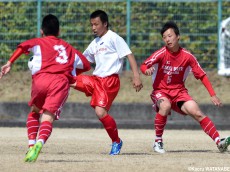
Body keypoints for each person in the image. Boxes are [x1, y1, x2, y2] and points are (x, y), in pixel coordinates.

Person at [0, 14, 90, 162]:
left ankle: (30, 146)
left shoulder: (39, 42)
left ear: (42, 30)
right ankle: (39, 143)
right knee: (48, 117)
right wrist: (70, 71)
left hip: (41, 80)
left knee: (35, 111)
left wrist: (10, 62)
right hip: (60, 83)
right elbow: (86, 64)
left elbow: (23, 46)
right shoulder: (68, 47)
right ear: (59, 32)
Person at [140, 21, 230, 154]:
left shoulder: (188, 56)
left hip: (179, 93)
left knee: (197, 112)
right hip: (160, 91)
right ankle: (158, 142)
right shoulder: (161, 53)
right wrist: (145, 71)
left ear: (178, 36)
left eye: (170, 36)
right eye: (164, 37)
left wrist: (212, 94)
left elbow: (202, 75)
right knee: (165, 106)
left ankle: (219, 141)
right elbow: (144, 65)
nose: (167, 39)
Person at [71, 10, 143, 155]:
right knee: (67, 79)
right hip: (96, 80)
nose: (93, 28)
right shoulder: (95, 43)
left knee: (100, 111)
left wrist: (136, 76)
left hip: (109, 82)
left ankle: (116, 141)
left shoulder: (114, 38)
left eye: (96, 24)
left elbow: (129, 55)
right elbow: (83, 62)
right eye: (91, 25)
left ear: (105, 24)